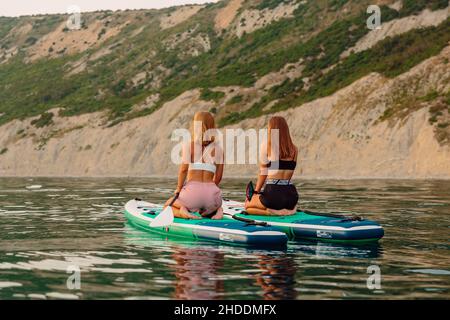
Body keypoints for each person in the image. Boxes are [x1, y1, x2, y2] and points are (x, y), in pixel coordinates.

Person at [165, 111, 224, 220]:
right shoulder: (219, 149)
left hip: (192, 194)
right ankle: (217, 210)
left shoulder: (189, 146)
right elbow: (219, 177)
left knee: (167, 205)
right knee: (208, 208)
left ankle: (183, 211)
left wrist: (178, 188)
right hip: (212, 195)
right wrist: (209, 191)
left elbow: (183, 170)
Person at [245, 116, 299, 216]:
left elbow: (263, 173)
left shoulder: (266, 146)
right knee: (274, 200)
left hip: (273, 195)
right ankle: (290, 210)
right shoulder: (294, 149)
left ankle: (272, 212)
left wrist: (256, 192)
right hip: (291, 196)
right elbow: (289, 175)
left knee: (248, 206)